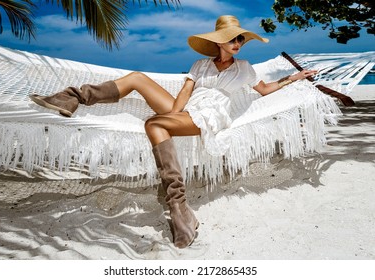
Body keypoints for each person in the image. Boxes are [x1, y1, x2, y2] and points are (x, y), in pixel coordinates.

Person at [29, 15, 316, 249]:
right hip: (189, 109)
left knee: (153, 124)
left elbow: (265, 90)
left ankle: (179, 208)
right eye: (232, 38)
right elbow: (184, 92)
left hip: (211, 116)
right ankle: (73, 98)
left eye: (240, 38)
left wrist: (294, 78)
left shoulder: (244, 68)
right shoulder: (201, 65)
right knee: (138, 78)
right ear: (219, 41)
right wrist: (174, 115)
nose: (238, 42)